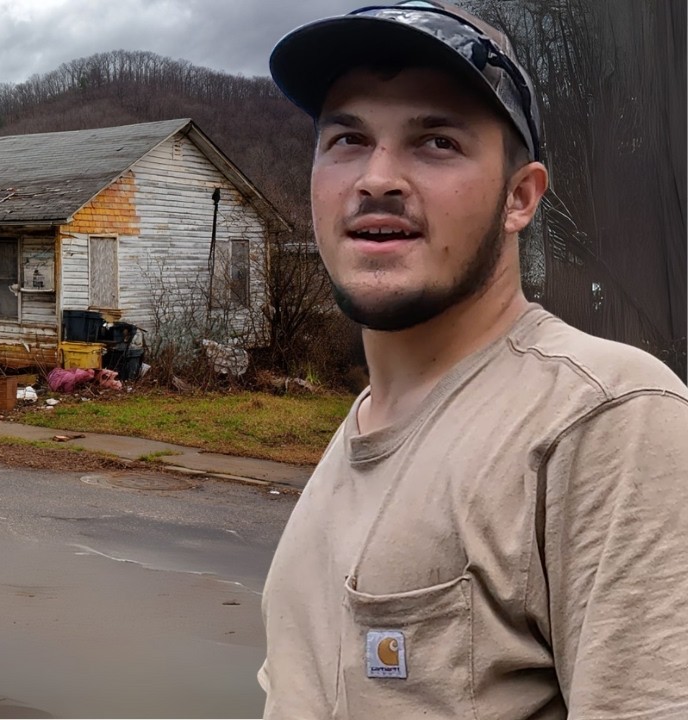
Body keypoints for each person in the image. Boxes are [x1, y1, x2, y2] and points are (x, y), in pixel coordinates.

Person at [259, 1, 688, 717]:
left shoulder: (604, 420)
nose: (378, 178)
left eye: (436, 143)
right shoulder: (361, 430)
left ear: (520, 197)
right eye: (347, 139)